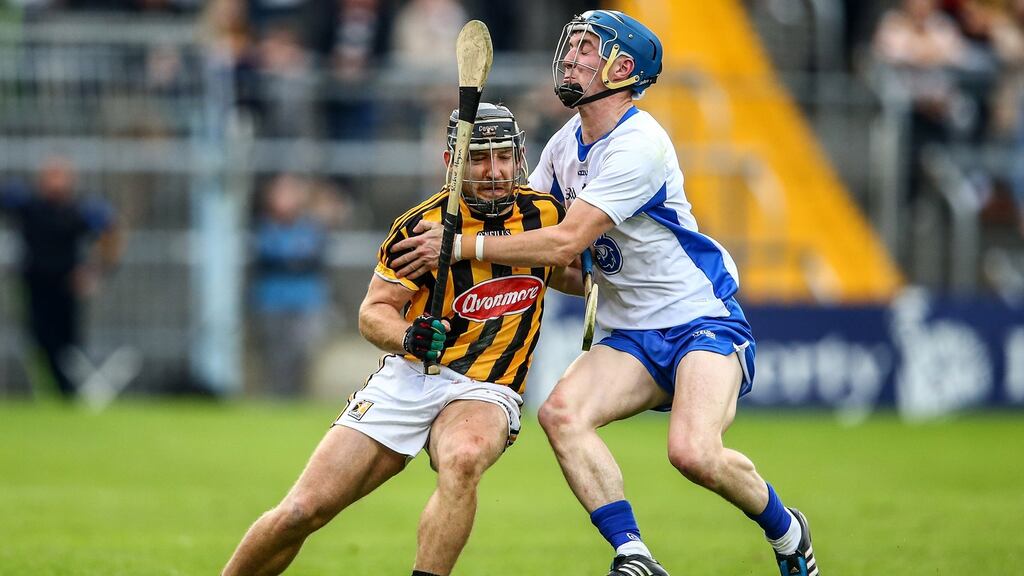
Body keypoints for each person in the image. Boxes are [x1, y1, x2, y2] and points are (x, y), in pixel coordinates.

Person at [391, 11, 820, 576]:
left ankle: (789, 533)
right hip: (630, 333)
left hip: (700, 320)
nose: (570, 57)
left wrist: (462, 247)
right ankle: (633, 553)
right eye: (571, 45)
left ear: (622, 69)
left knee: (693, 453)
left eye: (588, 48)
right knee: (562, 413)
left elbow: (564, 238)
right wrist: (455, 223)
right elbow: (532, 238)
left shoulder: (638, 145)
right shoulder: (566, 142)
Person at [222, 103, 580, 576]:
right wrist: (410, 336)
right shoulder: (421, 226)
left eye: (502, 157)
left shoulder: (547, 216)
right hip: (410, 377)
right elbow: (373, 313)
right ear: (451, 162)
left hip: (488, 385)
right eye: (478, 158)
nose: (493, 171)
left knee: (464, 458)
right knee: (302, 511)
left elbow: (571, 274)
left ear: (519, 158)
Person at [0, 156, 121, 399]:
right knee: (39, 337)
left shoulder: (78, 210)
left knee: (67, 342)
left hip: (66, 285)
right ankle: (60, 390)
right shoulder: (29, 205)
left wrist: (96, 271)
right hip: (34, 283)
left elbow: (112, 229)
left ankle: (67, 391)